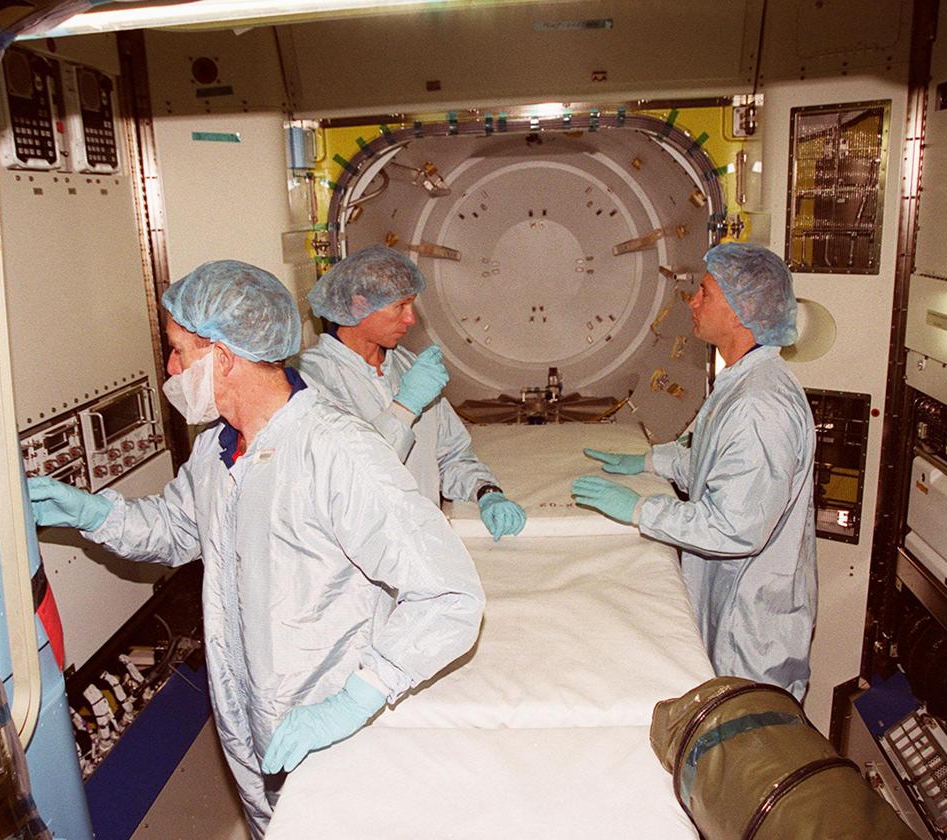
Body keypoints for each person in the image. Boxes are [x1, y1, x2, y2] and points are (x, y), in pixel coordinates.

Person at [27, 261, 484, 837]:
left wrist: (354, 701)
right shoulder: (220, 446)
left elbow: (449, 594)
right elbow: (175, 528)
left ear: (223, 355)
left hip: (330, 723)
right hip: (246, 714)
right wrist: (92, 513)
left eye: (177, 351)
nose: (170, 370)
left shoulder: (335, 453)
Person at [571, 242, 817, 700]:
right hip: (726, 604)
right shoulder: (743, 379)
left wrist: (642, 510)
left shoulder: (759, 406)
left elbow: (735, 527)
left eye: (704, 292)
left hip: (750, 631)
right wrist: (649, 461)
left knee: (745, 749)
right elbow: (713, 460)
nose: (693, 302)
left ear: (742, 310)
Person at [296, 244, 527, 540]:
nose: (411, 319)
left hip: (423, 542)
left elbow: (452, 455)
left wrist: (485, 491)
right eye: (400, 306)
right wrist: (405, 407)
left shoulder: (408, 367)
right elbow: (353, 477)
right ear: (358, 305)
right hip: (359, 553)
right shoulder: (311, 379)